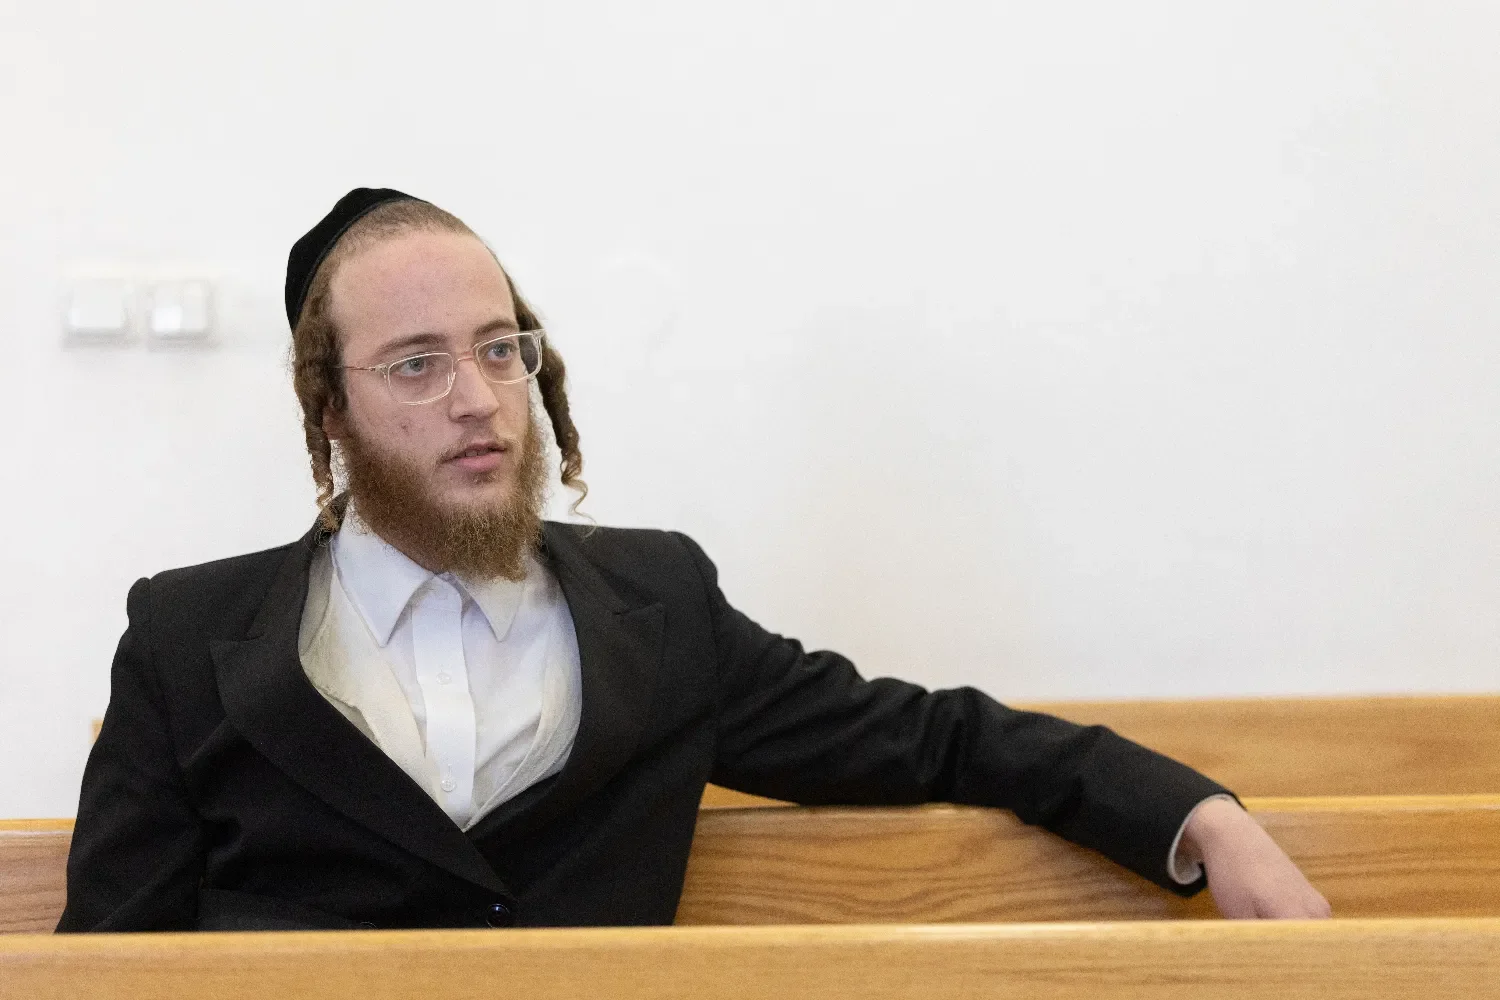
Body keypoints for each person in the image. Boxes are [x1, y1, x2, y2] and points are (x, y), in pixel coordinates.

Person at [57, 188, 1330, 932]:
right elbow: (105, 964)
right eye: (416, 364)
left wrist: (1193, 814)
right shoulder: (187, 638)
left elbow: (931, 739)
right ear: (329, 406)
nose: (478, 399)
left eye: (500, 348)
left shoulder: (656, 606)